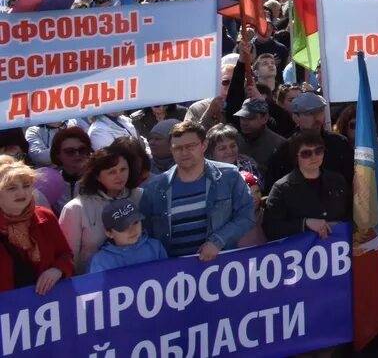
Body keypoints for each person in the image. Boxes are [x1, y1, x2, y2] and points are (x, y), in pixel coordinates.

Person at [138, 121, 256, 259]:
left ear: (204, 145)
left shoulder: (229, 176)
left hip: (220, 266)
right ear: (171, 149)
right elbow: (145, 233)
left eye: (190, 146)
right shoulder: (154, 188)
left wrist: (217, 241)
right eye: (178, 148)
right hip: (174, 273)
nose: (184, 152)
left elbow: (246, 215)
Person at [59, 144, 144, 272]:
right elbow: (67, 258)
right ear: (97, 176)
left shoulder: (140, 196)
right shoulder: (75, 209)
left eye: (123, 169)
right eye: (111, 172)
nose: (119, 176)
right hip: (92, 285)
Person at [0, 156, 74, 294]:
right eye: (11, 188)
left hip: (46, 304)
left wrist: (57, 269)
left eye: (26, 186)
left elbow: (66, 255)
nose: (21, 193)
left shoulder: (45, 217)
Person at [262, 131, 352, 240]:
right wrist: (305, 223)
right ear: (296, 157)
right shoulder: (282, 188)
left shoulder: (338, 180)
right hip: (301, 253)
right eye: (306, 153)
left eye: (319, 151)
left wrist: (340, 224)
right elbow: (271, 228)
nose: (314, 157)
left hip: (338, 248)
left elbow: (351, 213)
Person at [264, 93, 353, 191]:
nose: (317, 118)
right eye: (310, 113)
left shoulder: (339, 143)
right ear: (296, 117)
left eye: (319, 111)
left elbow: (351, 180)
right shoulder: (284, 151)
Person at [88, 200, 168, 273]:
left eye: (135, 222)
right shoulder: (101, 261)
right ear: (109, 233)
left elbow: (167, 274)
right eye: (124, 227)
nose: (132, 230)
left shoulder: (155, 247)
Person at [34, 127, 91, 216]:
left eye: (82, 149)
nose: (77, 154)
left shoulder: (99, 178)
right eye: (70, 151)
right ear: (57, 155)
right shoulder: (49, 182)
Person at [233, 98, 287, 171]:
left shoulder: (280, 144)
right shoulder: (234, 141)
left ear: (265, 118)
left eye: (250, 118)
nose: (244, 123)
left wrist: (257, 167)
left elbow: (282, 174)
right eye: (242, 118)